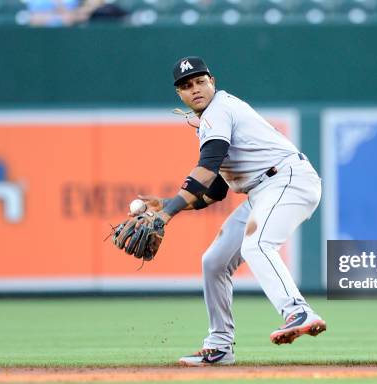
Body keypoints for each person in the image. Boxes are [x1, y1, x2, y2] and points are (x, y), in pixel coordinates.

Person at [138, 56, 326, 366]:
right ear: (179, 95)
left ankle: (298, 310)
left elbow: (207, 166)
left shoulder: (219, 110)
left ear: (212, 81)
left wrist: (167, 213)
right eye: (187, 85)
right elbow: (215, 190)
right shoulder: (210, 119)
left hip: (287, 179)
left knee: (257, 244)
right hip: (263, 190)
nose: (195, 88)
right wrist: (167, 204)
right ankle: (220, 346)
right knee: (214, 261)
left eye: (200, 81)